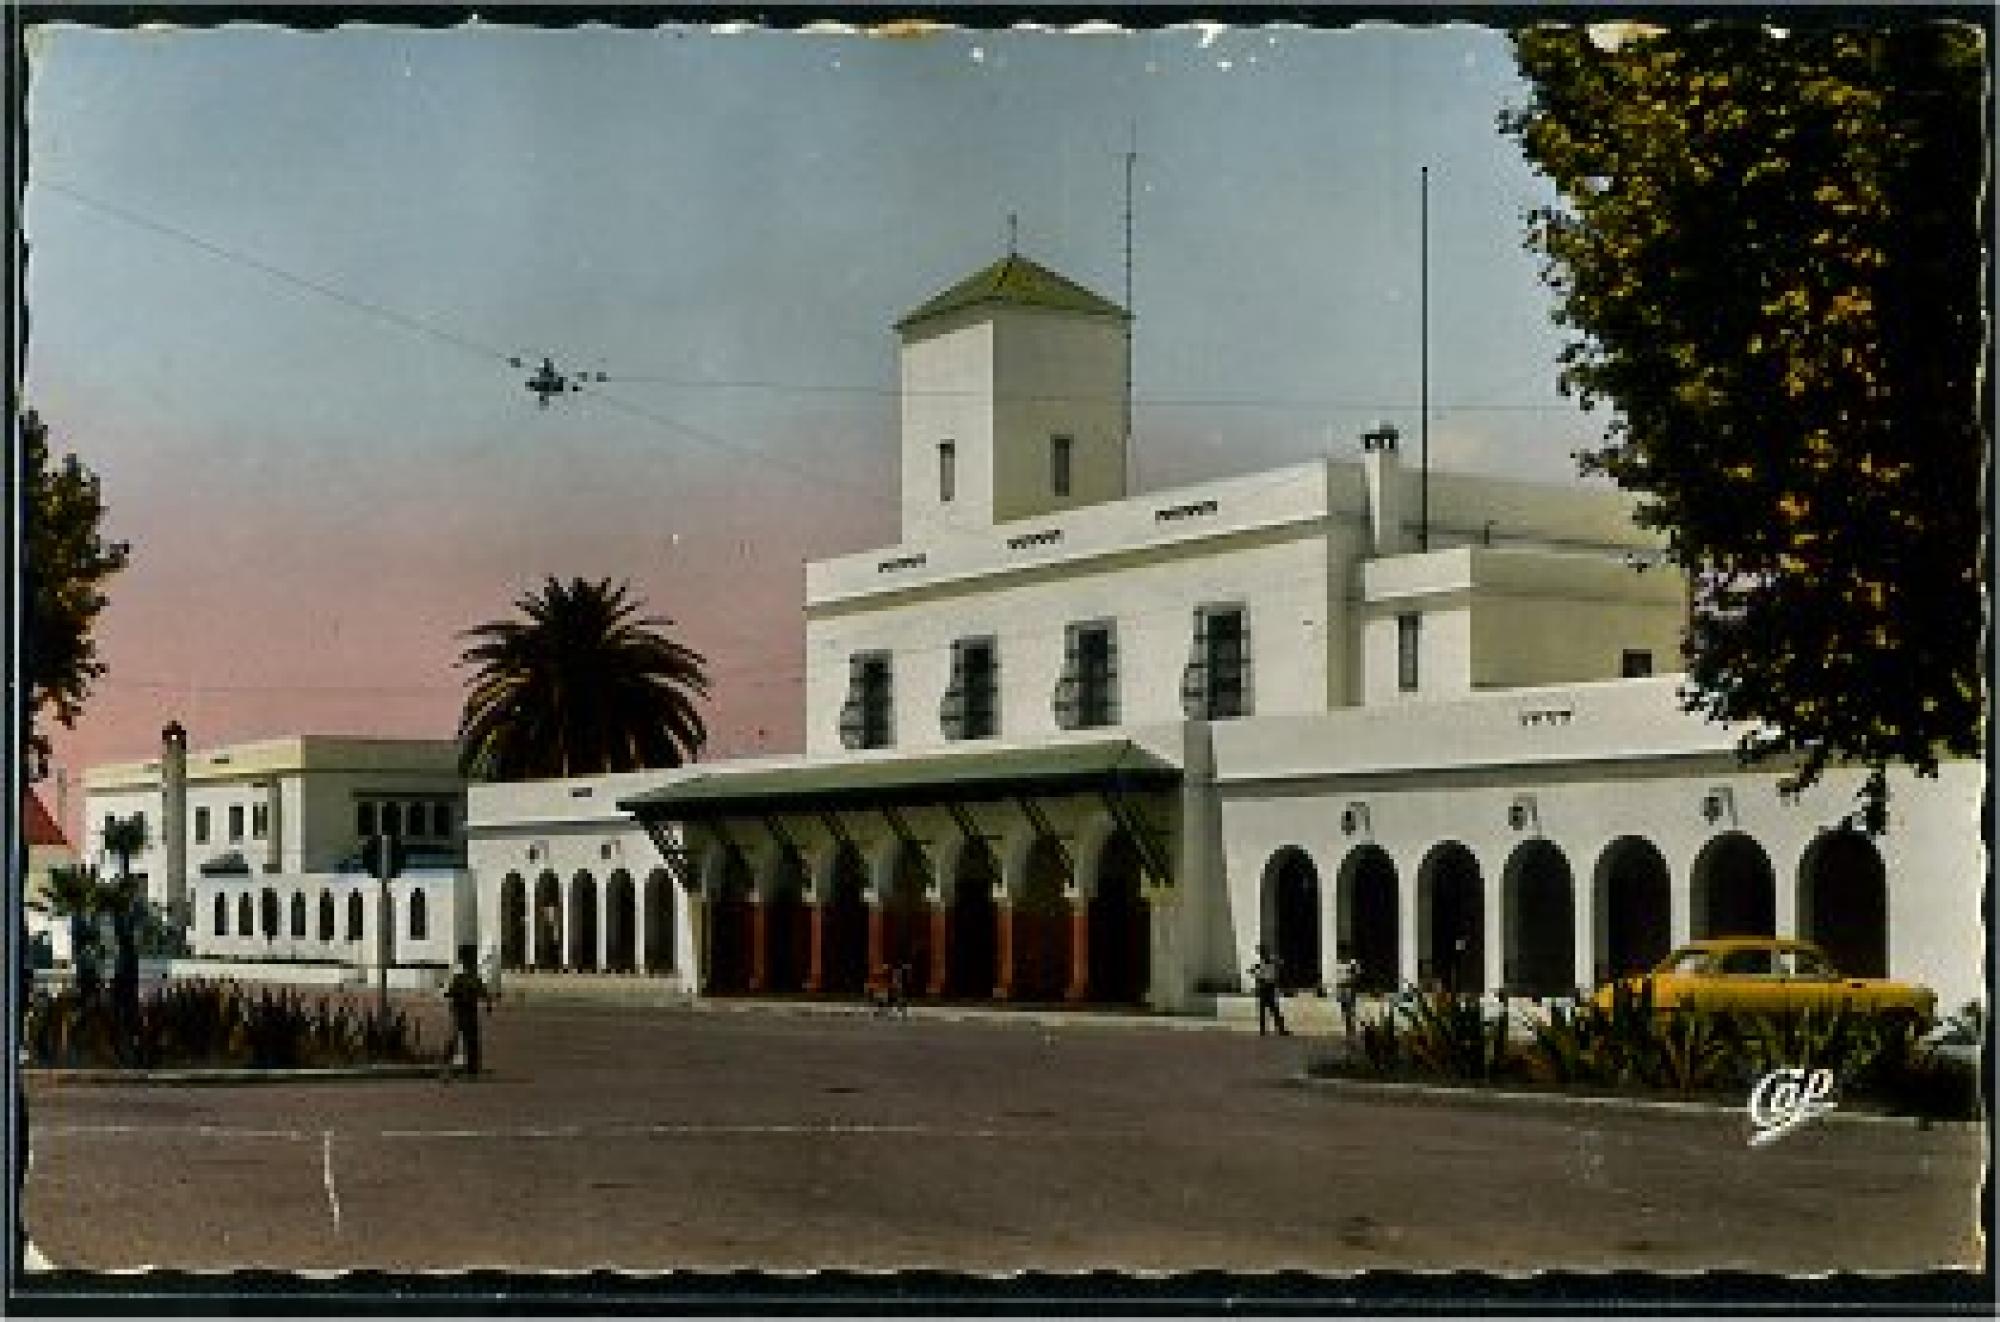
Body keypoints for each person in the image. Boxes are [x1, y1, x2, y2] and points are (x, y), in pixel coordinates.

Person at [442, 943, 494, 1079]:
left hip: (463, 1012)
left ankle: (458, 1066)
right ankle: (470, 1067)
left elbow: (449, 993)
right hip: (468, 1012)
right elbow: (484, 994)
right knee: (470, 1040)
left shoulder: (461, 978)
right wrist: (488, 1005)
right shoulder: (470, 978)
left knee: (462, 1039)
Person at [1248, 943, 1288, 1037]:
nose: (1261, 953)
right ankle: (1272, 1029)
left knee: (1271, 1009)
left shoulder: (1268, 961)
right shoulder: (1263, 963)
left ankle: (1277, 1029)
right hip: (1265, 986)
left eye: (1261, 951)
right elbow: (1255, 971)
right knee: (1269, 1009)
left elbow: (1279, 964)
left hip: (1267, 986)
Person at [1331, 943, 1362, 1044]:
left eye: (1343, 952)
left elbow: (1356, 976)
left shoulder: (1352, 963)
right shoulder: (1338, 964)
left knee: (1351, 1012)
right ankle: (1348, 1033)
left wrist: (1350, 982)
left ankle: (1352, 1033)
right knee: (1344, 1013)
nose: (1341, 954)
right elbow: (1336, 977)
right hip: (1342, 990)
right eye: (1340, 952)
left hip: (1349, 989)